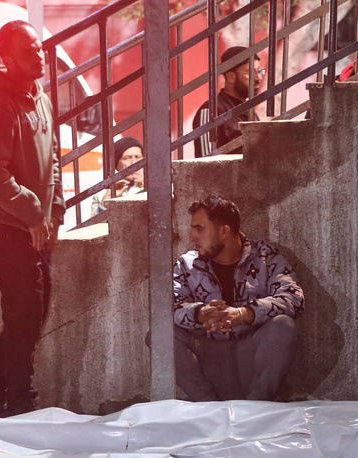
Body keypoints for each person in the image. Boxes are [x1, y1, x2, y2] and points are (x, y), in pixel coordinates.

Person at [0, 20, 64, 417]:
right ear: (7, 59)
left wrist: (53, 212)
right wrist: (32, 212)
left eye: (40, 48)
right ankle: (22, 401)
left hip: (33, 224)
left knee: (34, 308)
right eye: (29, 52)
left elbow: (53, 159)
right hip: (2, 226)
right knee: (25, 307)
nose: (39, 56)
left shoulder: (40, 97)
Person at [173, 193, 303, 401]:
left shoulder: (265, 257)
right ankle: (208, 405)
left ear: (224, 231)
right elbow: (170, 306)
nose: (191, 237)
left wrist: (245, 314)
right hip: (209, 361)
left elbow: (293, 297)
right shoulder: (186, 264)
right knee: (161, 333)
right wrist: (200, 314)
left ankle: (256, 406)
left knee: (284, 325)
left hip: (250, 361)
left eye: (199, 228)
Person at [192, 46, 264, 157]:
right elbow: (205, 163)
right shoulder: (211, 111)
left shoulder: (248, 111)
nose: (258, 77)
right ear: (231, 76)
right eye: (250, 72)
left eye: (259, 71)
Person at [90, 136, 144, 217]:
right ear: (117, 165)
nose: (134, 163)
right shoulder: (101, 195)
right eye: (127, 158)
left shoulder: (155, 185)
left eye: (138, 157)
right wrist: (106, 202)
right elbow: (92, 227)